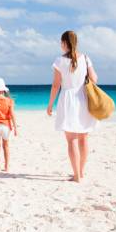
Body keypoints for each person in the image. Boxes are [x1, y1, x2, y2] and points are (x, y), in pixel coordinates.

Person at [46, 30, 98, 182]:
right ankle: (81, 172)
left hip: (67, 99)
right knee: (83, 138)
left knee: (71, 140)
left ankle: (76, 176)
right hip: (83, 99)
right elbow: (94, 79)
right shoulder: (86, 58)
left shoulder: (59, 61)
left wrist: (50, 104)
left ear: (64, 43)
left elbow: (56, 85)